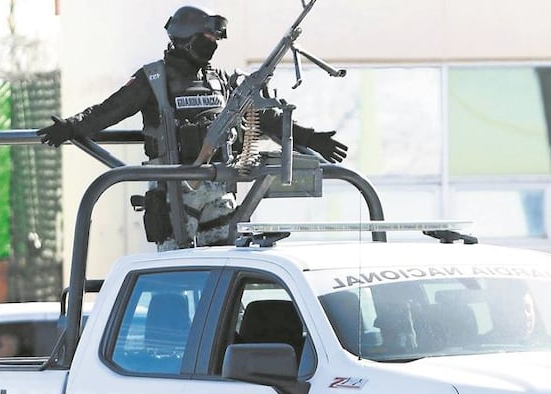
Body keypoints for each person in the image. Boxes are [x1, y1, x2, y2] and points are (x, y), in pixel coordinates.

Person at [37, 5, 348, 250]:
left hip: (218, 189)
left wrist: (308, 137)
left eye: (215, 39)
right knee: (173, 274)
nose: (213, 44)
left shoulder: (221, 80)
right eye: (208, 38)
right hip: (173, 190)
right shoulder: (154, 78)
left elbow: (263, 118)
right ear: (186, 37)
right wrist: (72, 127)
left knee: (223, 267)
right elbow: (110, 110)